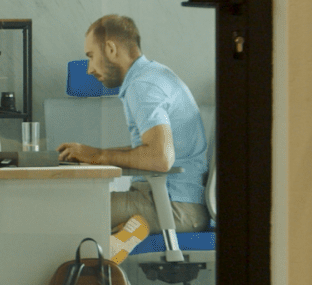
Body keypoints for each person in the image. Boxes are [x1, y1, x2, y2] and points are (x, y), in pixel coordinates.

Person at [56, 14, 210, 235]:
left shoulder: (143, 86)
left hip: (173, 208)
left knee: (62, 209)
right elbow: (150, 150)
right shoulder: (151, 76)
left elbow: (160, 158)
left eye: (91, 56)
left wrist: (99, 156)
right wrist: (91, 154)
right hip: (171, 202)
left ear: (110, 48)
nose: (89, 69)